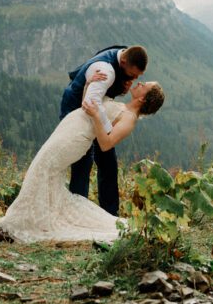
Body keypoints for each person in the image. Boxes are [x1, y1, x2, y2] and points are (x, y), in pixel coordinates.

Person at [0, 80, 165, 243]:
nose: (139, 83)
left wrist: (95, 116)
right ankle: (37, 222)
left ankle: (6, 228)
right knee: (46, 176)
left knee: (39, 171)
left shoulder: (129, 118)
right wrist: (89, 85)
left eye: (144, 85)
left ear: (143, 99)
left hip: (74, 139)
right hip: (70, 129)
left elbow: (106, 144)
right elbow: (89, 105)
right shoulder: (123, 107)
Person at [60, 46, 148, 216]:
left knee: (108, 162)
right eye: (134, 74)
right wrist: (108, 130)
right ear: (123, 62)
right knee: (82, 161)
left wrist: (121, 88)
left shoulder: (125, 55)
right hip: (76, 107)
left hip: (96, 111)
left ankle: (110, 213)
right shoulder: (105, 70)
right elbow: (92, 102)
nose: (136, 79)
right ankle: (77, 213)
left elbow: (103, 95)